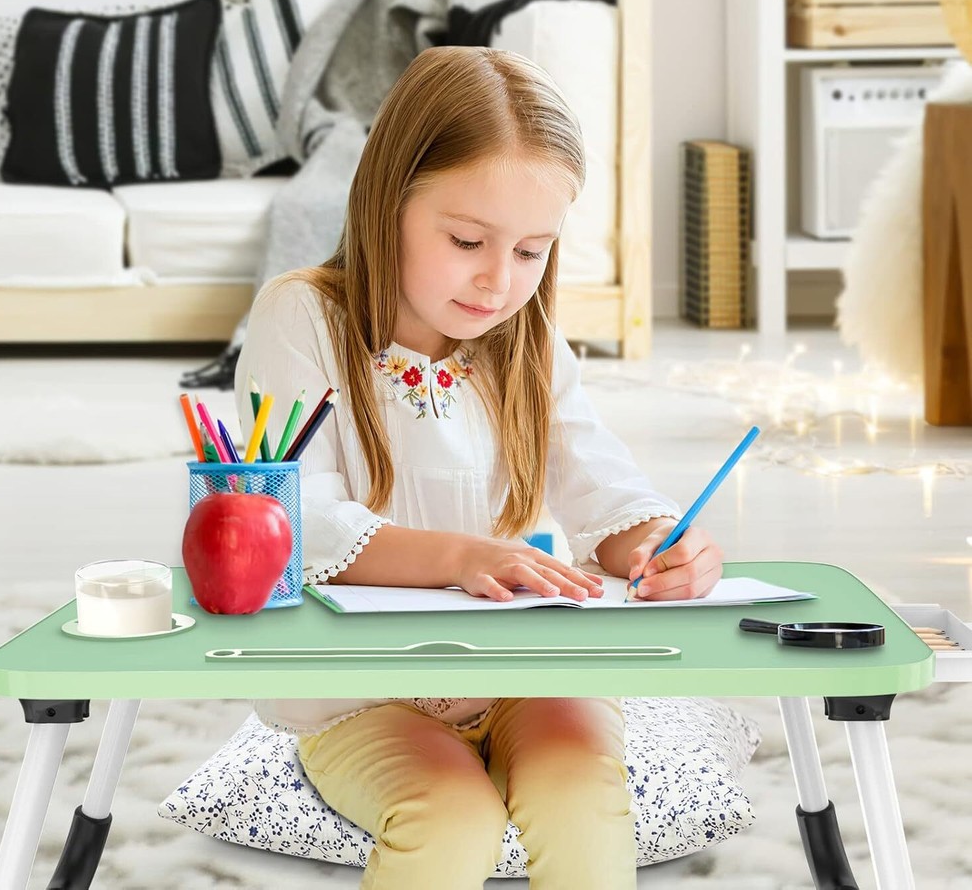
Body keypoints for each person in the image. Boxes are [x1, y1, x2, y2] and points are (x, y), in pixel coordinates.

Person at [235, 45, 724, 890]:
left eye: (532, 251)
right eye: (467, 240)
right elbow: (289, 519)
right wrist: (462, 557)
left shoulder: (529, 343)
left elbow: (601, 485)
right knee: (449, 817)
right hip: (365, 693)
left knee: (581, 800)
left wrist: (658, 543)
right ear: (388, 200)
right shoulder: (303, 316)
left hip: (528, 670)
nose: (499, 281)